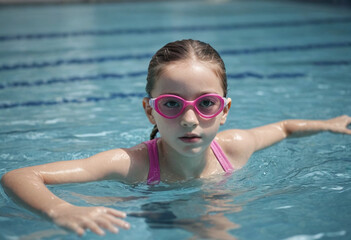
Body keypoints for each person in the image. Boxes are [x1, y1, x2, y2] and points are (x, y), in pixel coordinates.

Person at [1, 39, 351, 237]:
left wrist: (326, 124)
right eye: (171, 104)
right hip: (138, 209)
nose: (189, 119)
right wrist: (60, 211)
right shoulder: (132, 163)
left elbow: (286, 127)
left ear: (224, 110)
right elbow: (19, 176)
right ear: (149, 110)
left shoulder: (235, 146)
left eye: (206, 104)